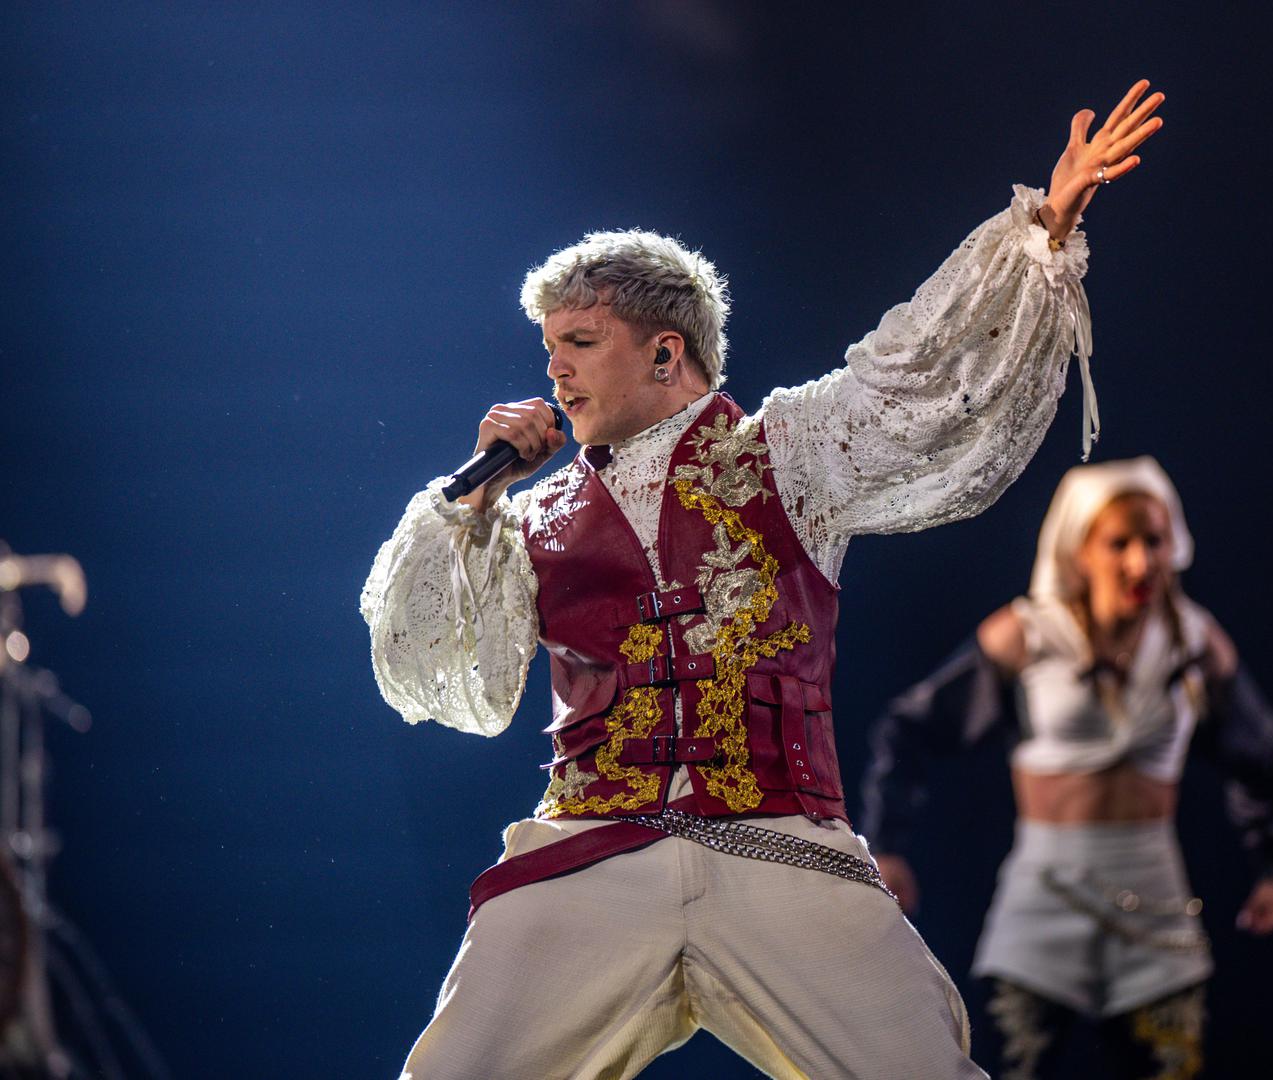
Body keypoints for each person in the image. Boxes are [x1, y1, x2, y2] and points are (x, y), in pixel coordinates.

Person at [360, 81, 1164, 1079]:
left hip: (777, 846)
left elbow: (917, 372)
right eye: (549, 349)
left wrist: (1040, 231)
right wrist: (473, 504)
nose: (555, 373)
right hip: (592, 852)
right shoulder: (532, 518)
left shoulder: (788, 450)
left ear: (666, 352)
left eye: (580, 344)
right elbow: (457, 680)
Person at [862, 457, 1273, 1080]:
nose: (1140, 562)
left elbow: (1263, 753)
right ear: (1080, 550)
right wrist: (887, 844)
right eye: (1119, 543)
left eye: (1154, 541)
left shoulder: (1192, 641)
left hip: (1154, 896)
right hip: (1044, 893)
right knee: (1017, 1064)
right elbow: (910, 726)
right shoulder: (1029, 634)